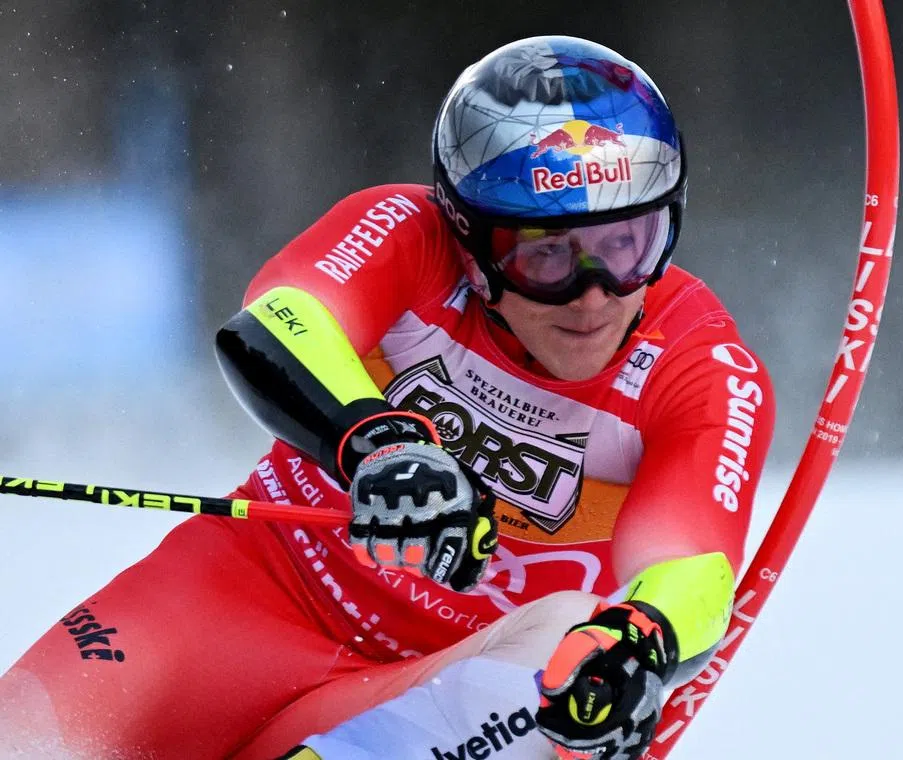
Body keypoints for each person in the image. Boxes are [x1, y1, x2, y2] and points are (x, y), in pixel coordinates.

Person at [0, 35, 774, 759]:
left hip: (444, 679)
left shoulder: (701, 366)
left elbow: (692, 565)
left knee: (575, 637)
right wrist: (383, 444)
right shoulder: (405, 230)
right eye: (547, 259)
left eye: (627, 246)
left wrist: (640, 638)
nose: (593, 297)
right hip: (245, 596)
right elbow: (277, 322)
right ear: (471, 242)